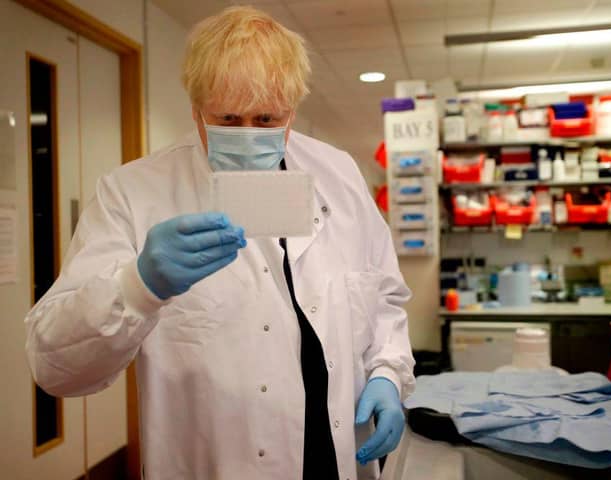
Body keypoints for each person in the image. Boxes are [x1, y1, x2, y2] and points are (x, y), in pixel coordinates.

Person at [25, 6, 415, 480]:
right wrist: (136, 287)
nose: (249, 134)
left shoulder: (338, 174)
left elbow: (384, 298)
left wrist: (388, 375)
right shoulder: (133, 193)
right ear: (196, 109)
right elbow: (55, 368)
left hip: (338, 458)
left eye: (268, 118)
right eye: (228, 118)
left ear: (293, 110)